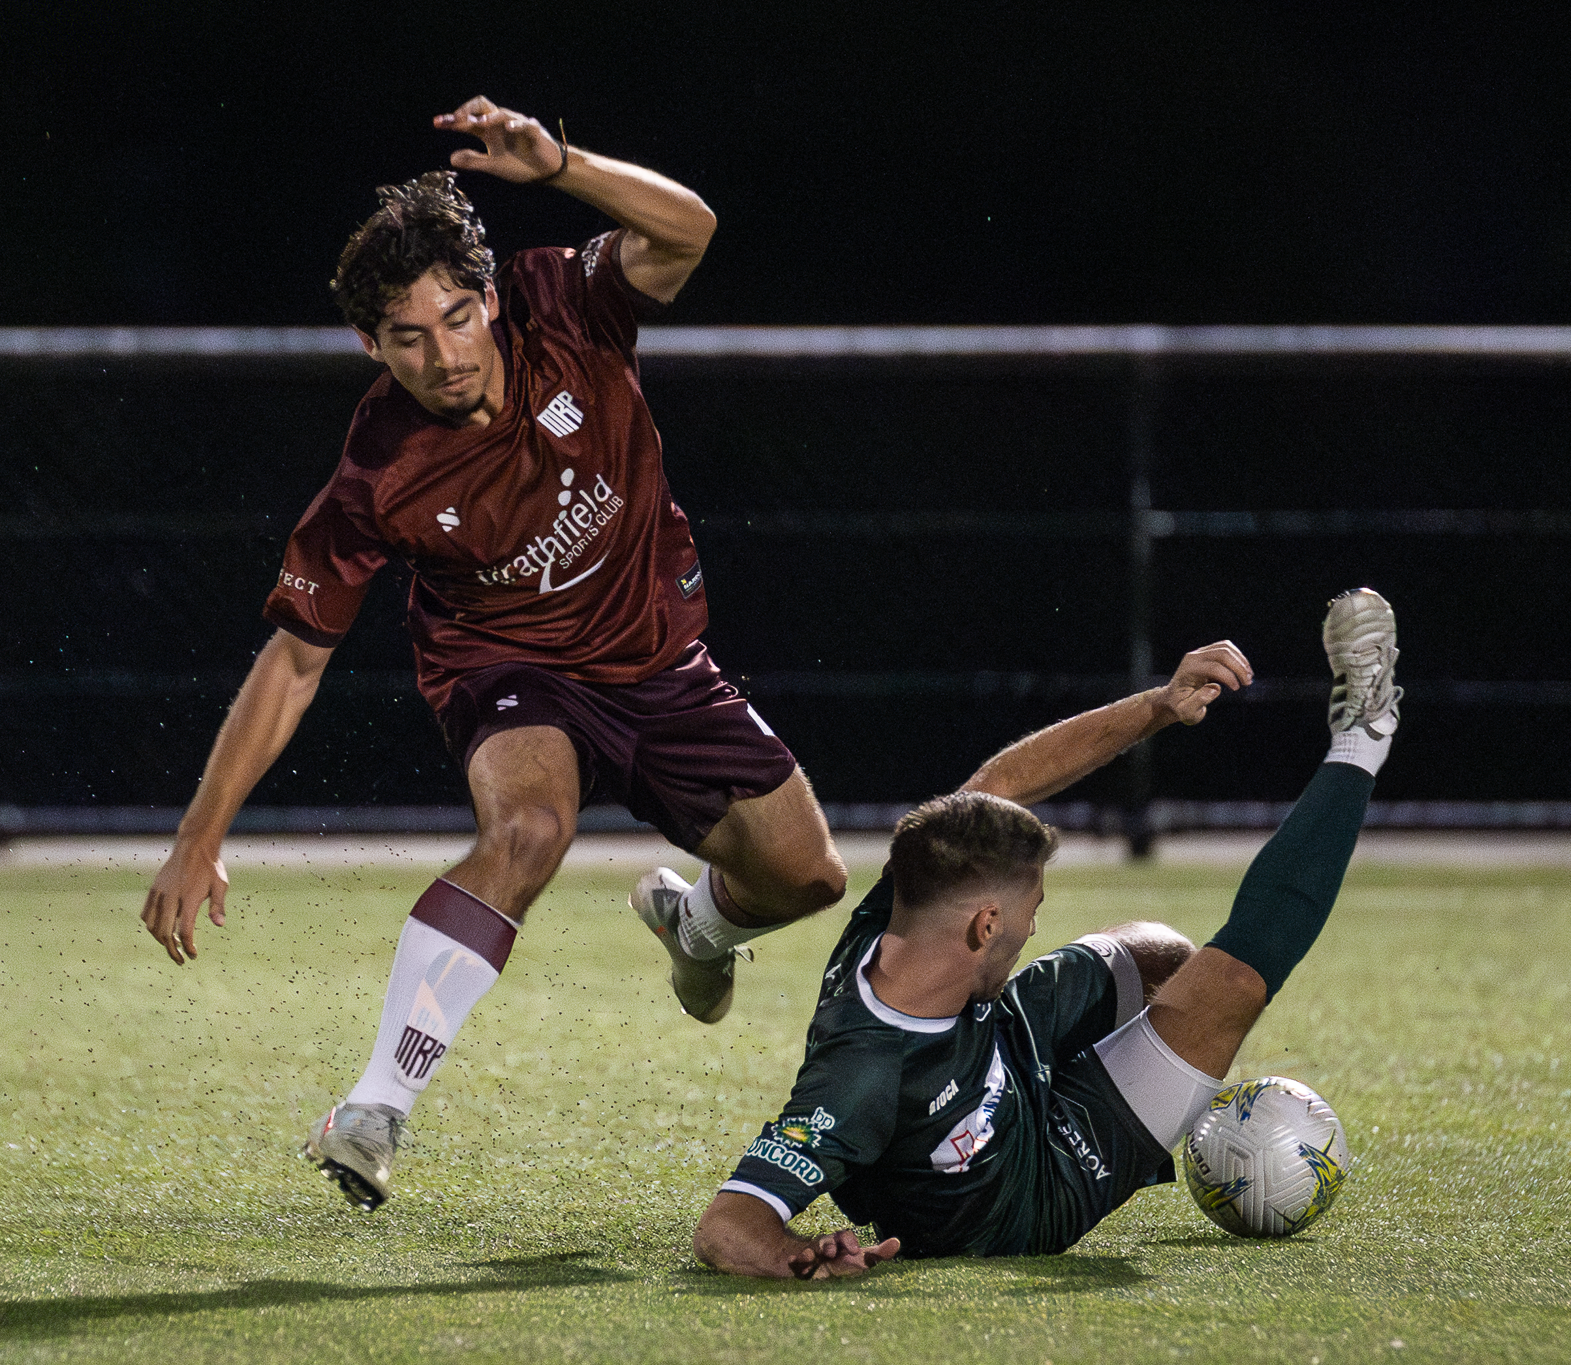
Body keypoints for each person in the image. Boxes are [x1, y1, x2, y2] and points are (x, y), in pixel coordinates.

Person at [137, 96, 847, 1211]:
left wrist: (560, 165)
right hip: (507, 669)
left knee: (807, 876)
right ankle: (374, 1108)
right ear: (370, 347)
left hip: (657, 660)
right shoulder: (378, 474)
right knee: (528, 829)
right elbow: (294, 661)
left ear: (491, 299)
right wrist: (200, 835)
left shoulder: (565, 302)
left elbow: (691, 229)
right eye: (407, 339)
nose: (443, 355)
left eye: (458, 318)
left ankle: (695, 922)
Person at [692, 589, 1401, 1277]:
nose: (1036, 925)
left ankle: (1160, 1076)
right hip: (1036, 1182)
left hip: (994, 1035)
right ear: (986, 924)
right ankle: (1362, 738)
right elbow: (727, 1227)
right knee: (1230, 984)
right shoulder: (865, 1075)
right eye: (1032, 907)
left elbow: (998, 785)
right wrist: (794, 1253)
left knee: (1163, 954)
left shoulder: (910, 892)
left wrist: (1159, 705)